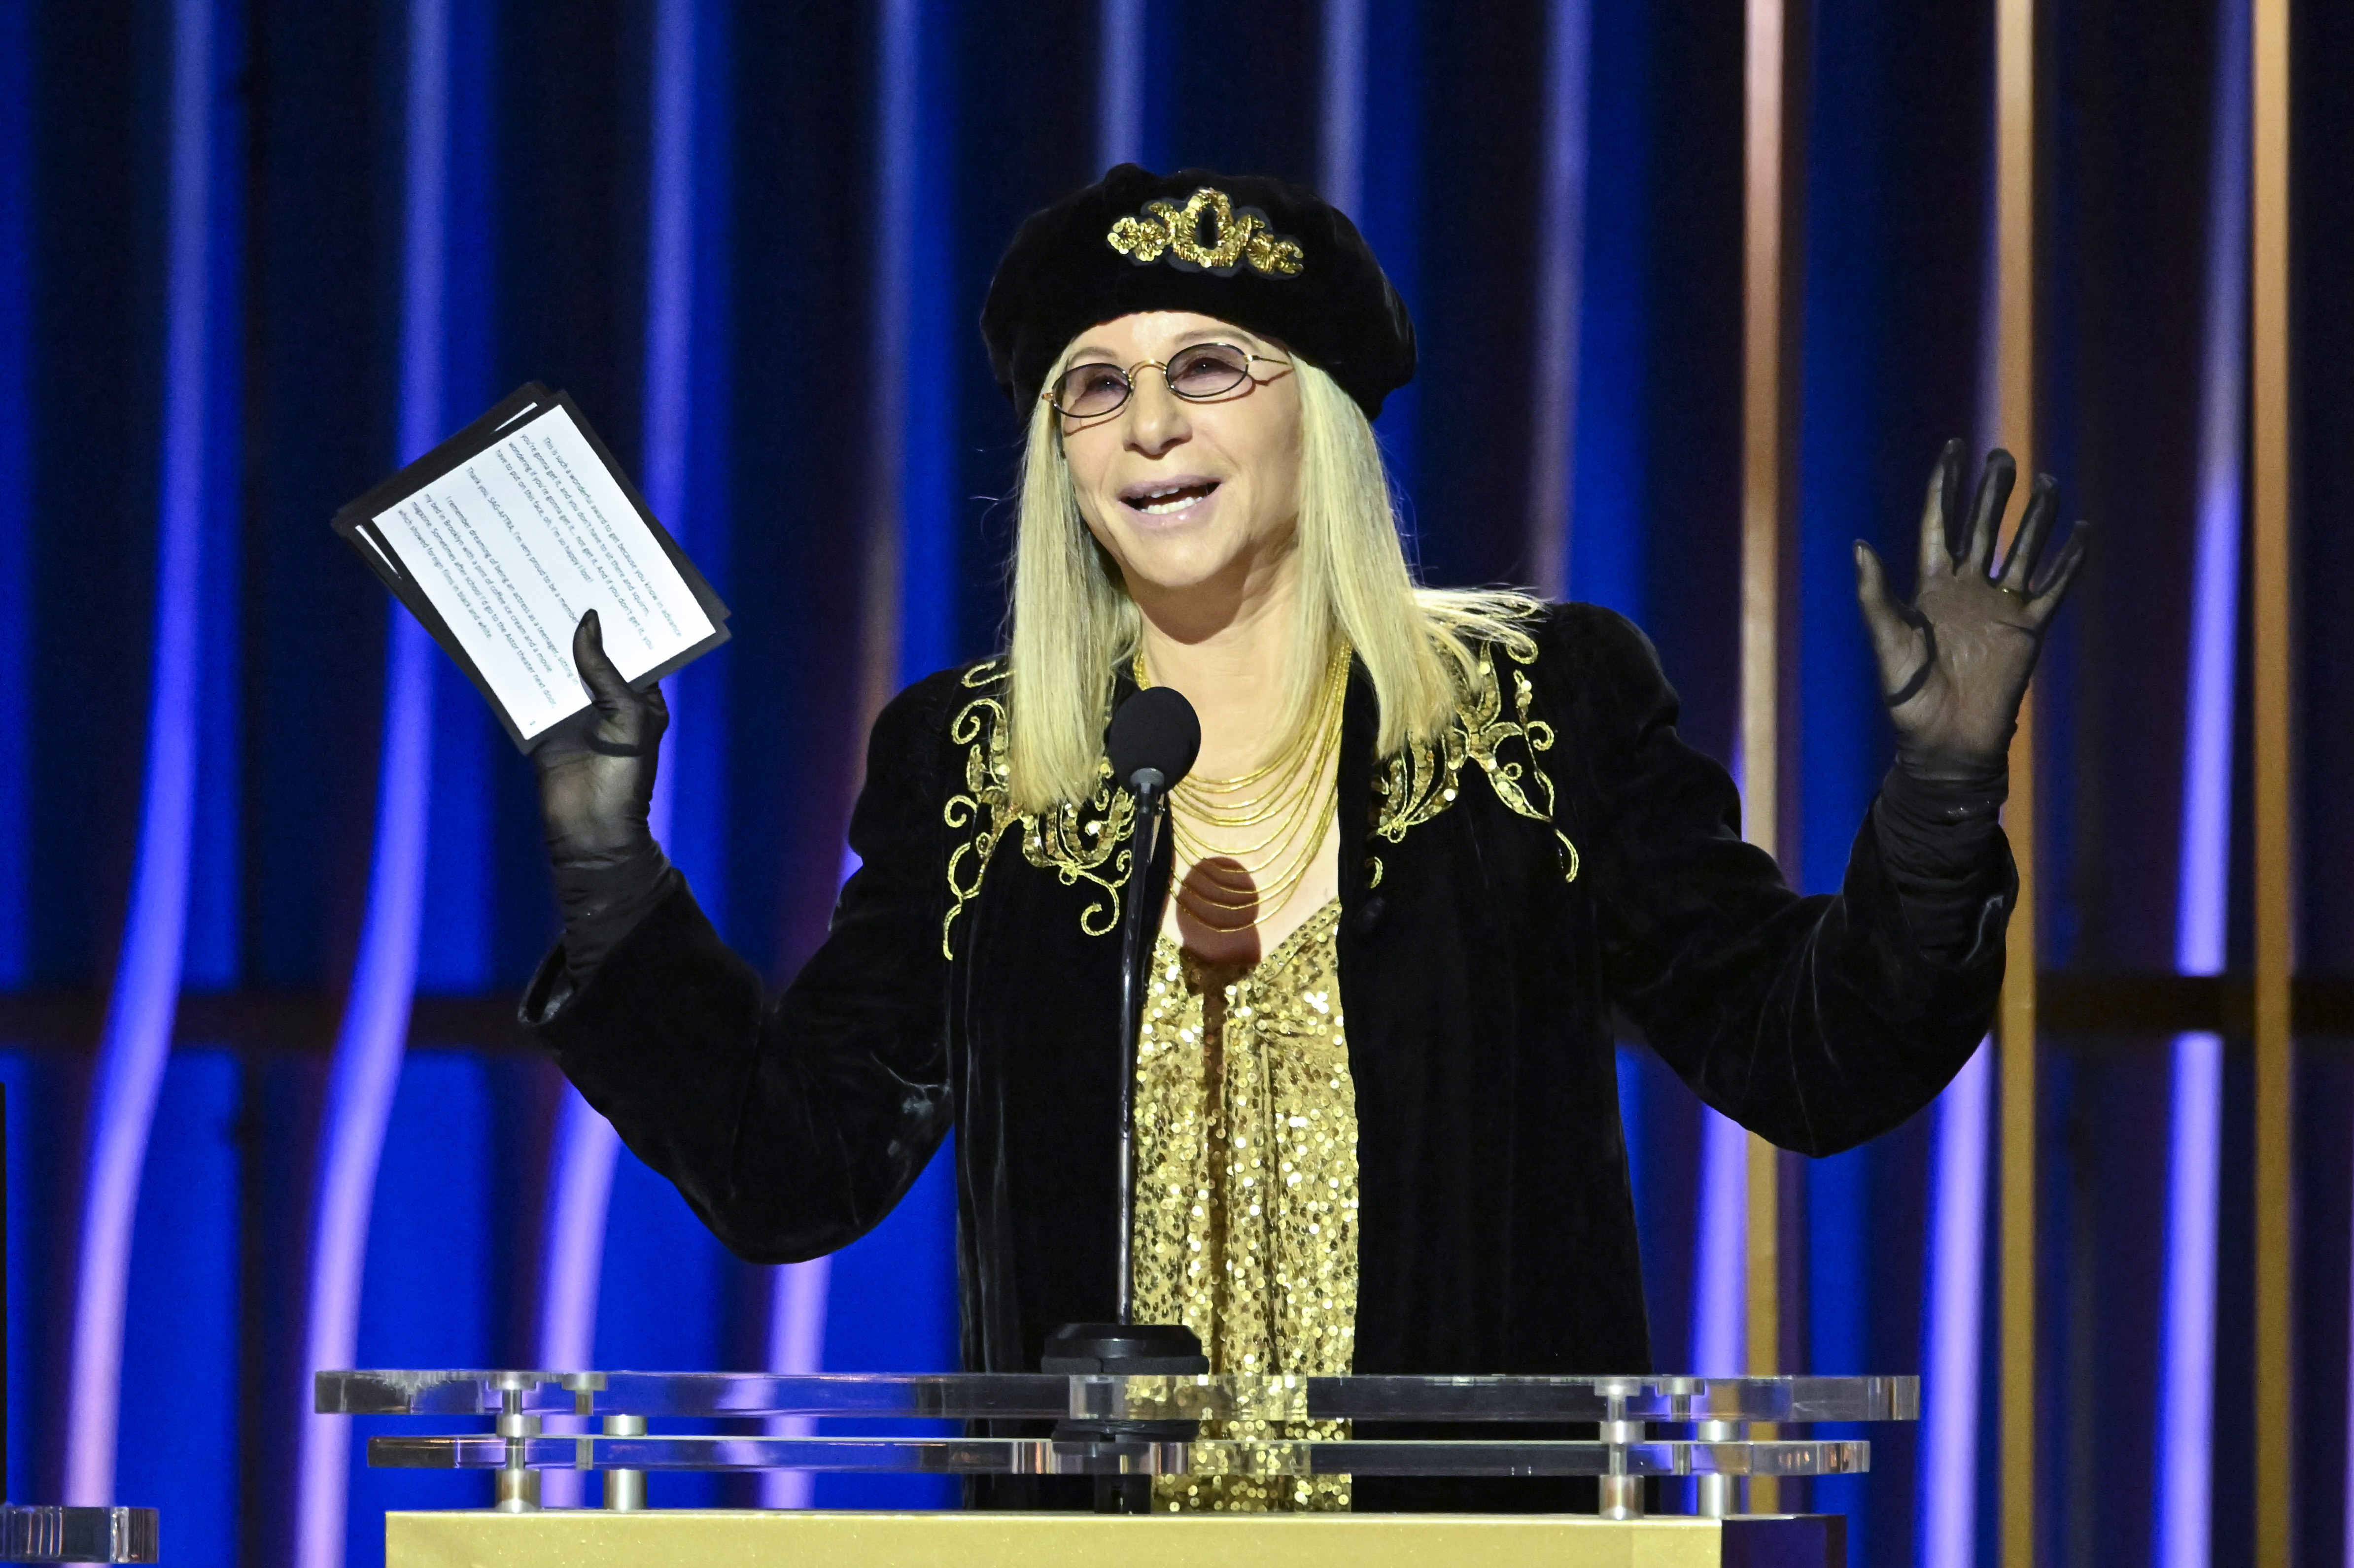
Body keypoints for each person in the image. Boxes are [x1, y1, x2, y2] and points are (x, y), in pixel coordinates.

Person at [521, 164, 2084, 1512]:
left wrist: (1944, 786)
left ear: (1318, 422)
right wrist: (609, 872)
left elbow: (1809, 1060)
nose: (1146, 427)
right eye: (1096, 383)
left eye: (1207, 367)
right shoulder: (976, 764)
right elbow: (795, 1169)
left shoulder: (1535, 713)